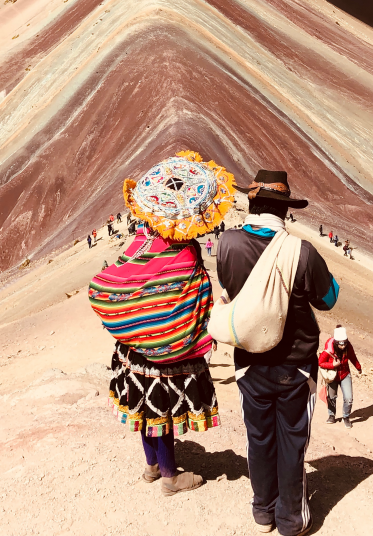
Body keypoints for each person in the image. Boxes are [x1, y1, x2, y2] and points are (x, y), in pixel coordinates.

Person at [88, 151, 235, 496]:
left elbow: (121, 278)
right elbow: (196, 294)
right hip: (167, 350)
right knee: (161, 413)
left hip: (132, 349)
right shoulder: (187, 252)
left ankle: (152, 466)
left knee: (143, 408)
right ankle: (170, 475)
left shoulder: (139, 242)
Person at [216, 168, 339, 536]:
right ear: (285, 210)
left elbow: (229, 285)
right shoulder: (301, 251)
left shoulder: (227, 244)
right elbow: (328, 298)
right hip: (295, 365)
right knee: (292, 438)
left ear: (251, 202)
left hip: (248, 364)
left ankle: (263, 511)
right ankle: (291, 518)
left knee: (259, 436)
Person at [319, 326, 361, 430]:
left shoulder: (348, 347)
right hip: (332, 376)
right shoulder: (328, 350)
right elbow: (320, 362)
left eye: (345, 343)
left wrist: (358, 367)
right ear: (336, 343)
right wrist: (333, 365)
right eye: (340, 344)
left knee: (349, 398)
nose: (343, 346)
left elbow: (352, 357)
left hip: (345, 374)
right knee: (332, 397)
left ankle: (346, 417)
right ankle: (331, 416)